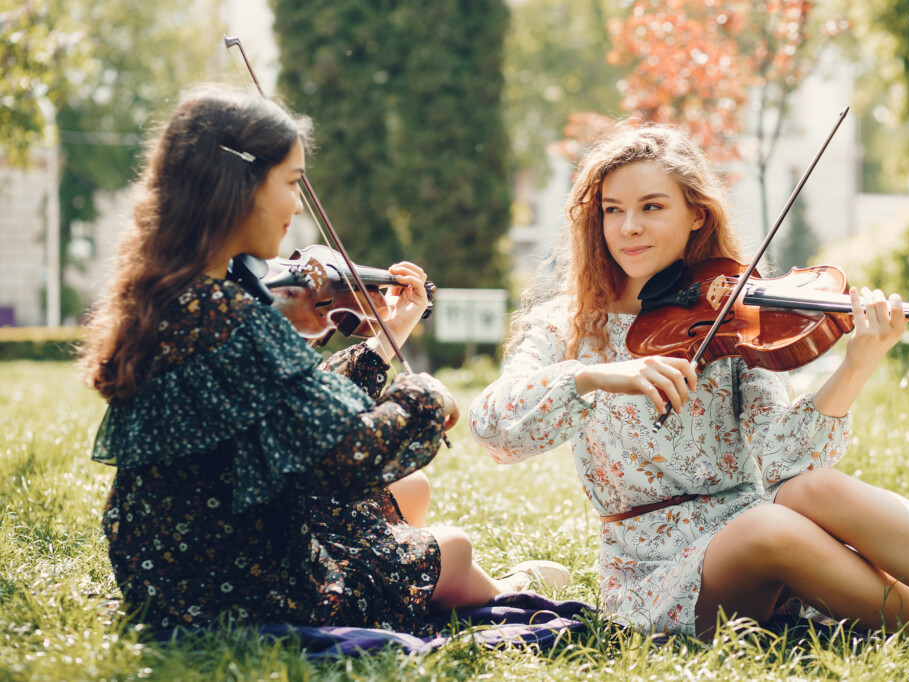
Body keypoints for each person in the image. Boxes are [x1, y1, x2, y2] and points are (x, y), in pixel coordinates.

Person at [468, 122, 909, 639]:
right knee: (768, 528)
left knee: (810, 489)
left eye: (652, 206)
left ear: (696, 216)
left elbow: (787, 460)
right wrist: (596, 375)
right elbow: (494, 427)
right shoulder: (566, 326)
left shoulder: (732, 310)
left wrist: (858, 363)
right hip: (655, 572)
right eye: (613, 210)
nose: (629, 226)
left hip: (754, 524)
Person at [78, 85, 567, 635]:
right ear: (237, 187)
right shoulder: (234, 319)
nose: (295, 205)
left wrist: (391, 332)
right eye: (291, 184)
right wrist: (425, 397)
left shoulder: (175, 296)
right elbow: (352, 455)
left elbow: (294, 403)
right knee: (452, 547)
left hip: (172, 564)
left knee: (410, 493)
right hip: (238, 588)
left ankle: (442, 575)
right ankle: (502, 587)